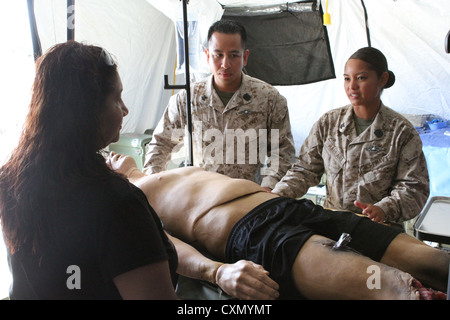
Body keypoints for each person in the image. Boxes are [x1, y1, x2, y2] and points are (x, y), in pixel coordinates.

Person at [110, 153, 448, 300]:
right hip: (257, 235)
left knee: (435, 262)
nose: (110, 155)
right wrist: (217, 273)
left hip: (295, 208)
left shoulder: (171, 169)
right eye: (104, 157)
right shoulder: (128, 196)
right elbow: (164, 246)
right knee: (401, 289)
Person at [0, 41, 178, 300]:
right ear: (87, 111)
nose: (125, 109)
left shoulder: (12, 180)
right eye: (117, 98)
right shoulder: (119, 204)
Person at [272, 47, 429, 225]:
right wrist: (277, 195)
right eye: (347, 79)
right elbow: (305, 170)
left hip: (379, 227)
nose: (352, 86)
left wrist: (384, 209)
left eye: (361, 78)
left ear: (382, 79)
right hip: (332, 222)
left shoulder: (401, 132)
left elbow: (414, 188)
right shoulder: (328, 123)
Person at [144, 20, 296, 190]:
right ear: (207, 56)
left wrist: (267, 190)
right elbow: (161, 143)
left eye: (233, 55)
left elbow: (283, 153)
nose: (225, 64)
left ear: (244, 57)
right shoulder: (187, 99)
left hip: (247, 199)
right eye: (218, 55)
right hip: (198, 199)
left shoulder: (269, 99)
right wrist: (153, 188)